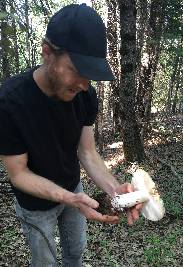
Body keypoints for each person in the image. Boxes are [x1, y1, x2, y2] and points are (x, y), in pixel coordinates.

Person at [0, 4, 141, 267]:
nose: (84, 84)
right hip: (35, 203)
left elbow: (87, 152)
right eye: (77, 70)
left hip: (73, 187)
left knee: (75, 254)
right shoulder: (9, 101)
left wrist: (115, 192)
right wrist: (68, 198)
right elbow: (18, 173)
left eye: (89, 75)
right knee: (45, 263)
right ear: (47, 53)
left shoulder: (85, 95)